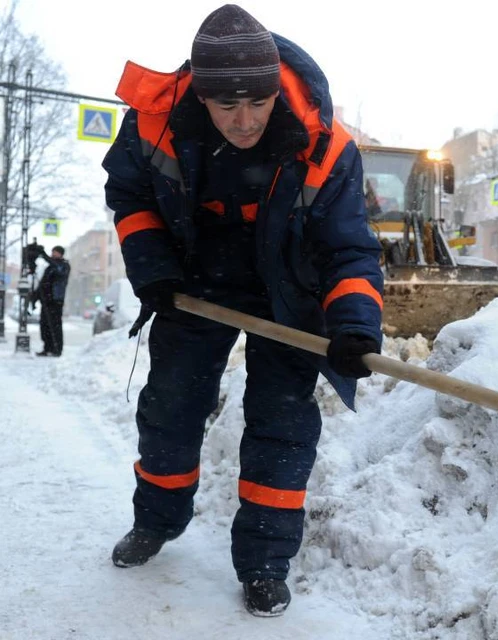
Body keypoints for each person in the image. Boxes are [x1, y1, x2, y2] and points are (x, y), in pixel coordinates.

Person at [102, 4, 384, 617]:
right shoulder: (153, 125)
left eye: (257, 103)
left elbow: (348, 248)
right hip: (194, 279)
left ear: (273, 92)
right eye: (227, 105)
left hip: (286, 291)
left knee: (282, 425)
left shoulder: (325, 146)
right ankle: (157, 520)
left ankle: (264, 563)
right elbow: (128, 195)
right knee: (171, 407)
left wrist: (355, 324)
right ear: (201, 97)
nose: (245, 120)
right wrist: (153, 269)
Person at [30, 244, 70, 357]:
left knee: (55, 325)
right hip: (46, 302)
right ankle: (47, 348)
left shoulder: (64, 265)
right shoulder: (49, 267)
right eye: (52, 252)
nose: (53, 254)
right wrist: (35, 298)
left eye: (55, 252)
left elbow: (59, 270)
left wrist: (45, 256)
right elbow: (43, 284)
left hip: (56, 301)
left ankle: (57, 349)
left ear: (61, 254)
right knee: (45, 326)